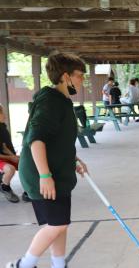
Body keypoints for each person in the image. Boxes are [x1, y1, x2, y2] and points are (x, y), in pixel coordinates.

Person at [6, 52, 89, 268]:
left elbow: (57, 140)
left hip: (57, 172)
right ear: (65, 76)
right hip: (40, 173)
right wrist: (45, 175)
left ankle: (59, 264)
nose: (83, 80)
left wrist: (73, 159)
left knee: (60, 224)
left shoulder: (62, 101)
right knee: (56, 225)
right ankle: (23, 265)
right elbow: (36, 140)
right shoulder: (50, 102)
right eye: (80, 75)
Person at [0, 105, 20, 203]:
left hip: (7, 156)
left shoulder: (3, 127)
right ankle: (5, 187)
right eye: (2, 113)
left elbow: (4, 146)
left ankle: (29, 192)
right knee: (10, 169)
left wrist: (13, 156)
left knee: (26, 164)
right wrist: (11, 158)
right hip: (1, 159)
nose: (4, 115)